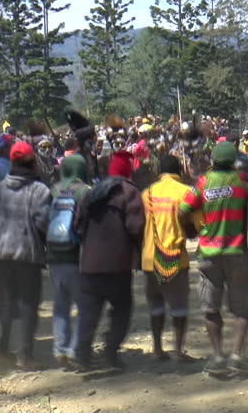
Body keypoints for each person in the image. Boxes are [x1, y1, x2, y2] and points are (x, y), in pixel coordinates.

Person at [179, 141, 248, 375]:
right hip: (236, 252)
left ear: (212, 161)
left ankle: (218, 356)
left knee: (211, 307)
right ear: (234, 161)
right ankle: (237, 356)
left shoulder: (202, 182)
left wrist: (191, 230)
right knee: (241, 308)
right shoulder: (244, 180)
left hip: (208, 253)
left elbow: (182, 211)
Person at [0, 141, 52, 370]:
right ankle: (25, 356)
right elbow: (44, 222)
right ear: (32, 163)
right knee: (29, 303)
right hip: (27, 254)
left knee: (6, 303)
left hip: (0, 253)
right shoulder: (40, 191)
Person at [73, 151, 145, 370]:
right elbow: (136, 227)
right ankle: (110, 352)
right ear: (128, 170)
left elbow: (77, 225)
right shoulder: (130, 192)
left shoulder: (92, 192)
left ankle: (82, 355)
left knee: (88, 311)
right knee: (122, 309)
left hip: (90, 263)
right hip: (118, 263)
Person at [140, 155, 193, 361]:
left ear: (159, 171)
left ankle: (157, 349)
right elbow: (193, 228)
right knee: (179, 307)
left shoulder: (147, 193)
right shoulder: (185, 192)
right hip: (175, 259)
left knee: (156, 306)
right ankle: (178, 351)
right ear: (179, 170)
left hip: (150, 259)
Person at [46, 153, 90, 366]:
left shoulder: (53, 190)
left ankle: (60, 348)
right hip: (76, 255)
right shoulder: (85, 191)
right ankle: (75, 349)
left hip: (54, 254)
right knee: (83, 304)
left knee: (60, 303)